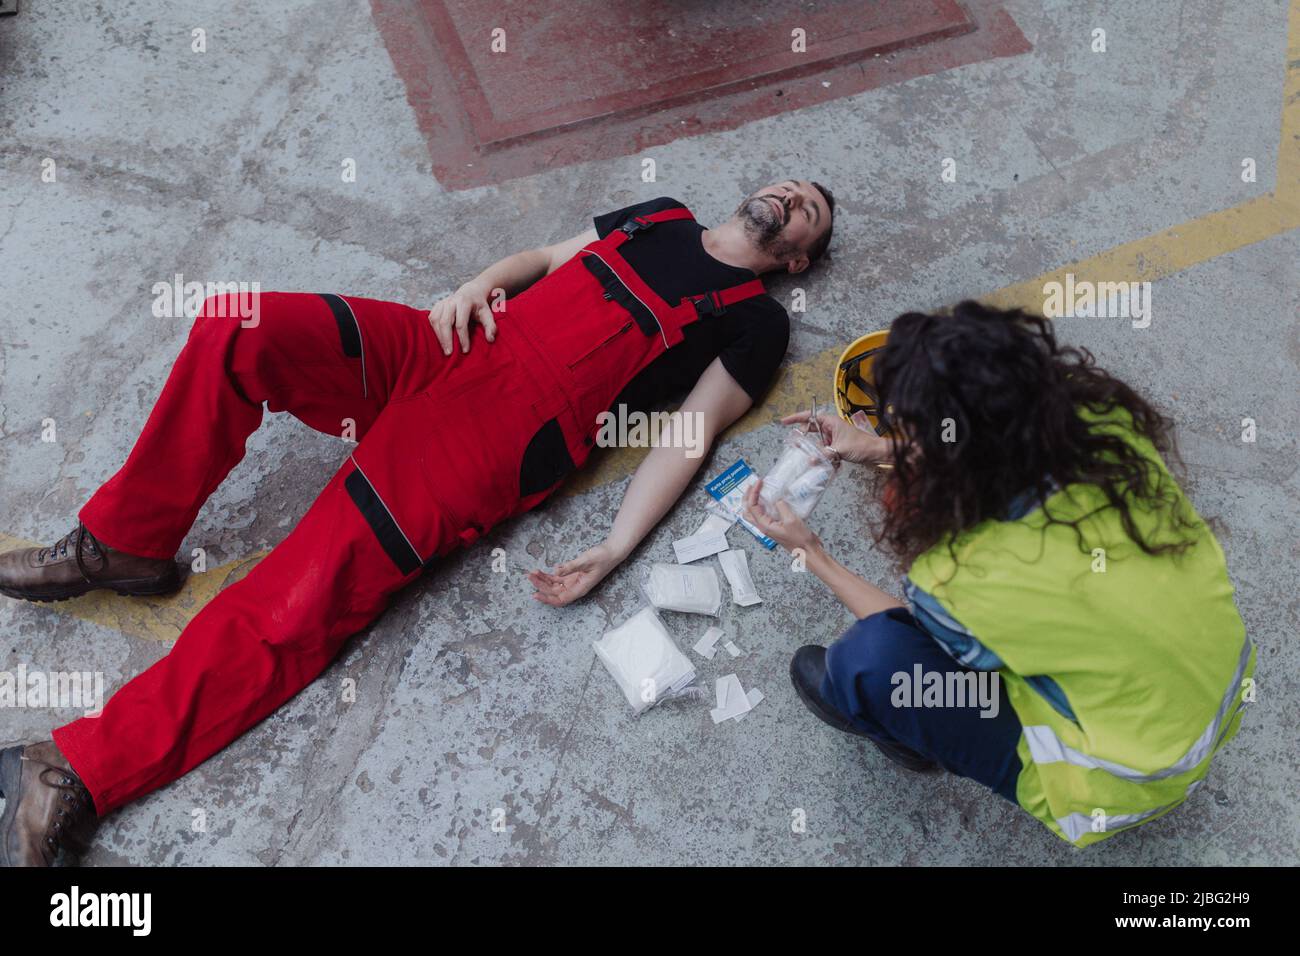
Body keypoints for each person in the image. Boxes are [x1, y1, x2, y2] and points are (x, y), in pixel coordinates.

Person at [0, 181, 835, 866]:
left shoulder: (758, 322)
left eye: (808, 212)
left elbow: (689, 436)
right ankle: (123, 544)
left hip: (497, 440)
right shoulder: (660, 215)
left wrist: (617, 546)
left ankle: (75, 768)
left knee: (298, 601)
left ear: (795, 258)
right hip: (448, 344)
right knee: (239, 326)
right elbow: (548, 258)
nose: (792, 196)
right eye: (791, 185)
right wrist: (478, 287)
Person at [743, 302, 1253, 847]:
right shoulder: (1111, 430)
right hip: (1214, 699)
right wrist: (879, 447)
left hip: (1114, 788)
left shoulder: (956, 577)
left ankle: (904, 734)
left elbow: (908, 631)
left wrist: (811, 550)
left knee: (873, 660)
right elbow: (987, 436)